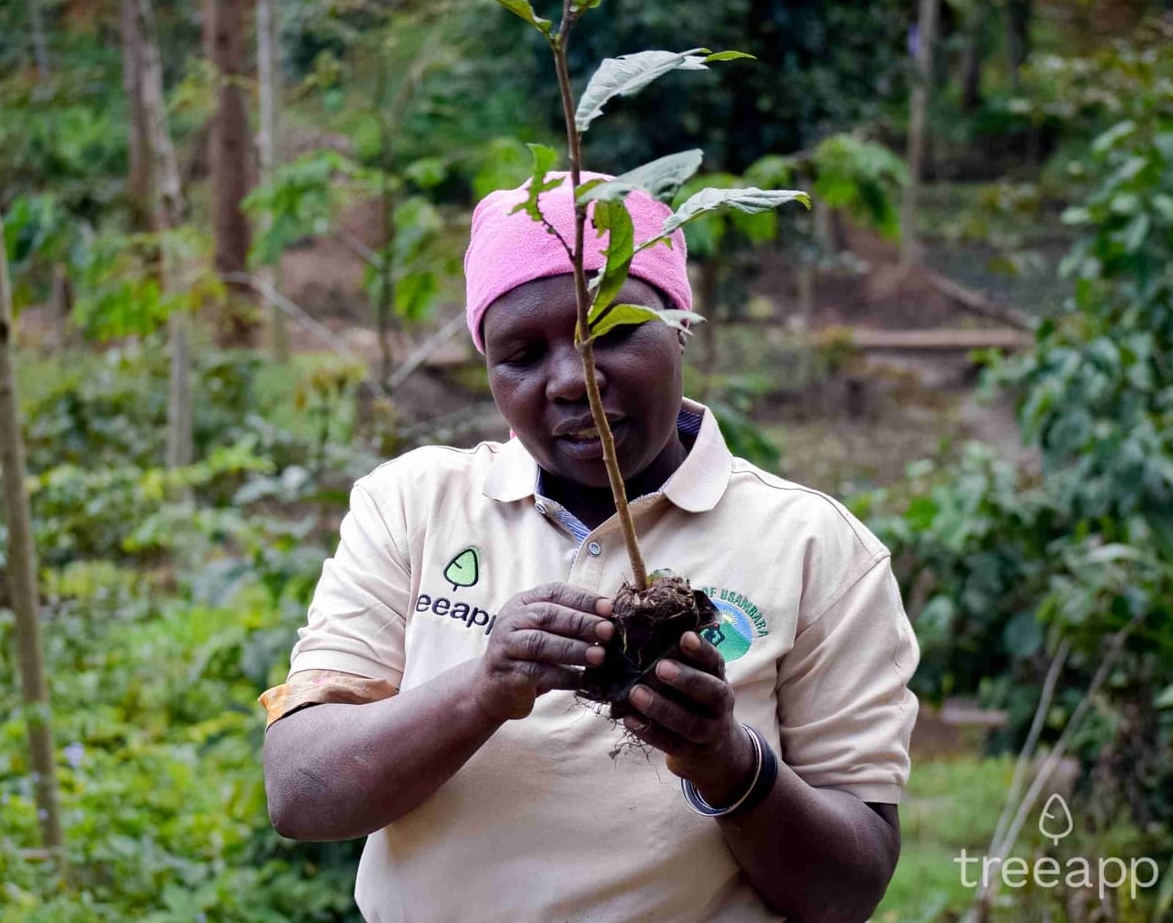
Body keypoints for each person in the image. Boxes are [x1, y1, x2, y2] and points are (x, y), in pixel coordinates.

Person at [260, 174, 921, 923]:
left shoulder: (815, 548)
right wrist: (484, 689)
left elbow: (849, 889)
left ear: (679, 326)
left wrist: (726, 761)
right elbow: (300, 791)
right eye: (522, 354)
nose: (573, 379)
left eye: (610, 330)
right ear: (488, 369)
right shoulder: (414, 505)